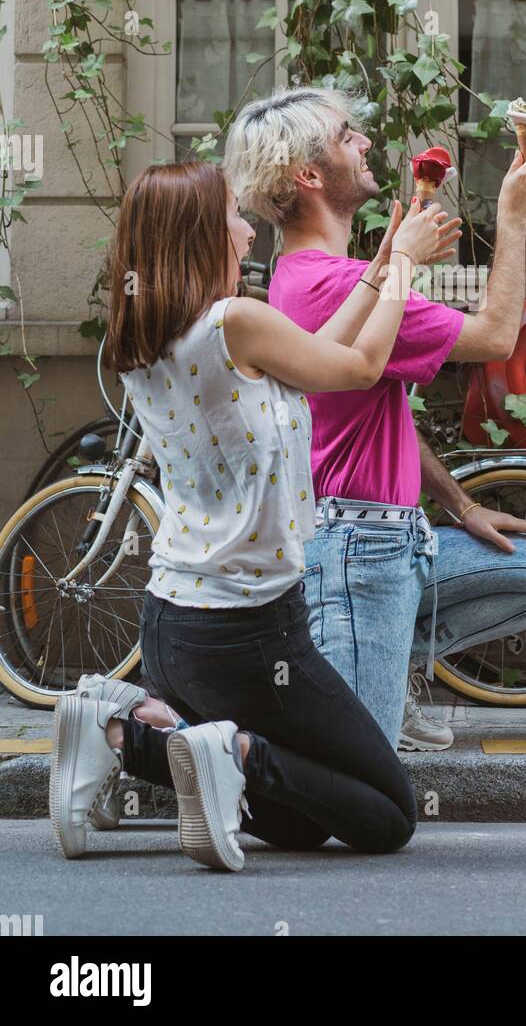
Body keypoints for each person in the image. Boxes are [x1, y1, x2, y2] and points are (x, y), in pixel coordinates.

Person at [49, 158, 456, 870]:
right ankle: (221, 747)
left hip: (173, 625)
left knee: (300, 824)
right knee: (387, 815)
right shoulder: (235, 321)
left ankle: (121, 734)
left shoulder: (142, 335)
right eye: (233, 219)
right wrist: (404, 271)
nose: (246, 232)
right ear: (201, 237)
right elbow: (359, 369)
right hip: (249, 632)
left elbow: (322, 350)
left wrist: (382, 264)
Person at [222, 89, 526, 752]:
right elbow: (498, 336)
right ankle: (165, 748)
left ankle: (392, 667)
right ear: (308, 176)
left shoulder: (306, 273)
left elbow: (377, 403)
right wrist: (512, 219)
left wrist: (458, 504)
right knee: (356, 780)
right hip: (358, 552)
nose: (364, 142)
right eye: (346, 136)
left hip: (398, 539)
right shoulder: (340, 283)